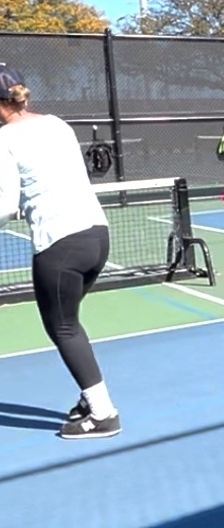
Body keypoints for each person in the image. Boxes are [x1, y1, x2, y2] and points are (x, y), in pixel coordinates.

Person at [0, 64, 121, 439]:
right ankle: (91, 398)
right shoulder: (58, 124)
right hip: (96, 236)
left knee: (63, 326)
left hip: (59, 244)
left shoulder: (5, 140)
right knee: (69, 320)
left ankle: (103, 413)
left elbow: (4, 205)